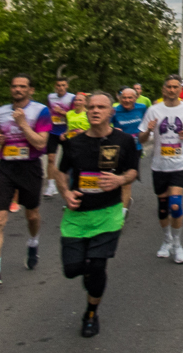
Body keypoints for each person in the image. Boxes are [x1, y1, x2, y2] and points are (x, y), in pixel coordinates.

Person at [54, 92, 139, 337]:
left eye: (101, 107)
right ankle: (89, 273)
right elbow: (60, 172)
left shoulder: (124, 141)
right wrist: (66, 193)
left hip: (108, 215)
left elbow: (133, 171)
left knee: (97, 267)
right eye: (91, 107)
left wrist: (120, 179)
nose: (94, 110)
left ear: (110, 112)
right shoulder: (73, 143)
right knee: (72, 270)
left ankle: (91, 314)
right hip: (77, 216)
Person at [0, 74, 52, 287]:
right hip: (6, 167)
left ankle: (33, 242)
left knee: (32, 215)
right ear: (10, 89)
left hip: (30, 167)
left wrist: (22, 124)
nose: (18, 89)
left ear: (31, 90)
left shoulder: (40, 111)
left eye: (23, 86)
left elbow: (40, 144)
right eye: (14, 86)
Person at [138, 74, 183, 264]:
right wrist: (148, 130)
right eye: (169, 87)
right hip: (159, 165)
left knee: (175, 204)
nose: (172, 90)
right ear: (164, 89)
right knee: (163, 208)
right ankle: (167, 240)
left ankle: (178, 245)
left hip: (180, 163)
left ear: (181, 90)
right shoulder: (153, 110)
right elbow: (141, 139)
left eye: (175, 87)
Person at [110, 88, 147, 217]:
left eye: (130, 98)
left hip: (135, 148)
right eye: (124, 98)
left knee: (126, 181)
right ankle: (121, 202)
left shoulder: (142, 108)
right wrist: (113, 129)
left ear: (135, 98)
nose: (126, 100)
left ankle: (123, 212)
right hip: (116, 149)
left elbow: (150, 122)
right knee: (115, 179)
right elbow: (106, 126)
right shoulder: (114, 111)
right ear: (119, 98)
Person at [44, 77, 75, 199]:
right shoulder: (50, 97)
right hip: (53, 131)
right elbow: (48, 111)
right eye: (58, 85)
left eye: (63, 85)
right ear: (55, 86)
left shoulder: (71, 98)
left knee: (69, 159)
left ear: (66, 86)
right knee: (51, 159)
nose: (60, 88)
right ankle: (51, 185)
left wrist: (62, 112)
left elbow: (75, 115)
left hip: (67, 132)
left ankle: (71, 182)